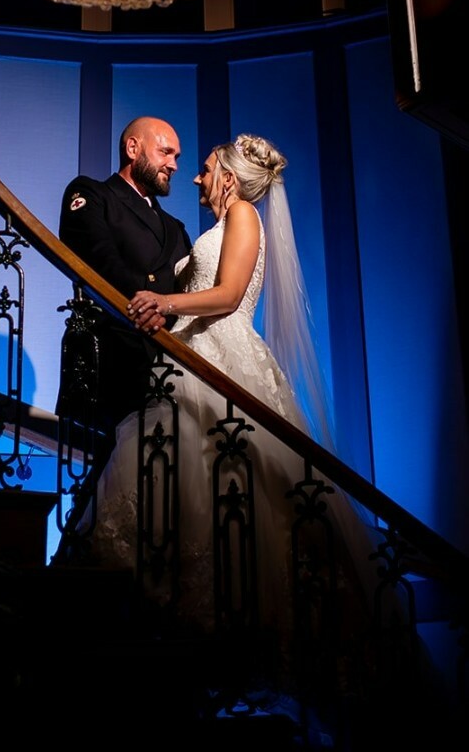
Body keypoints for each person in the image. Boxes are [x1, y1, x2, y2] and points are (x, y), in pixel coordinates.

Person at [78, 133, 435, 722]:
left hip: (225, 350)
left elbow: (229, 294)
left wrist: (168, 305)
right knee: (191, 480)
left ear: (228, 175)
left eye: (205, 166)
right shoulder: (217, 220)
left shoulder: (244, 215)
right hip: (192, 353)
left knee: (248, 485)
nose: (194, 175)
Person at [56, 115, 192, 441]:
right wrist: (152, 304)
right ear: (133, 148)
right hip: (110, 358)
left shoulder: (175, 228)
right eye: (165, 153)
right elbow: (98, 259)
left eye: (177, 157)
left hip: (165, 366)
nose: (173, 165)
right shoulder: (92, 193)